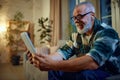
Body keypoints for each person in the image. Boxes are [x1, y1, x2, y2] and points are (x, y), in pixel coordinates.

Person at [27, 1, 120, 80]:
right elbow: (61, 53)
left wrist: (52, 64)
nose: (76, 21)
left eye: (79, 16)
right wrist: (43, 59)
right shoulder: (77, 36)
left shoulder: (107, 33)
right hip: (88, 69)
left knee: (85, 75)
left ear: (92, 16)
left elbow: (92, 62)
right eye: (74, 18)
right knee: (54, 70)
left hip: (109, 72)